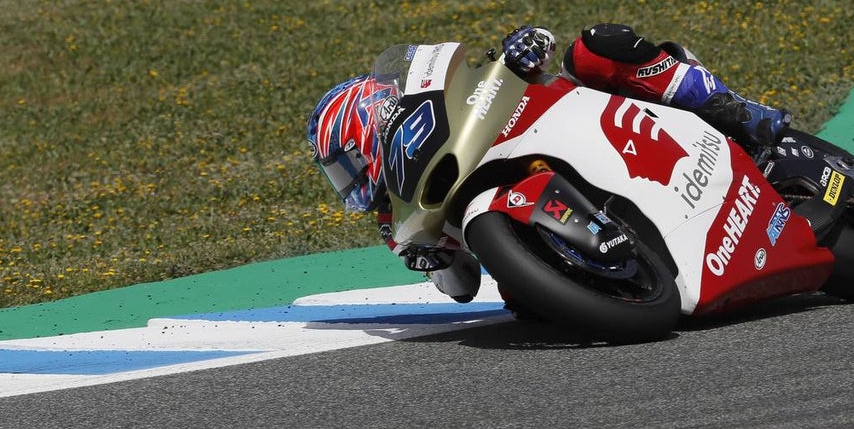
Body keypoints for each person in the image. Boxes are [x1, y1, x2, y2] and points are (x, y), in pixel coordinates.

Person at [306, 23, 790, 302]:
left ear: (370, 124)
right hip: (553, 254)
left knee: (598, 48)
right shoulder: (397, 220)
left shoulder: (438, 111)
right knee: (522, 309)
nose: (349, 182)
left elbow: (521, 59)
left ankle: (739, 114)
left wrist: (523, 51)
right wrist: (432, 260)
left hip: (569, 123)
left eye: (346, 164)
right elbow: (462, 288)